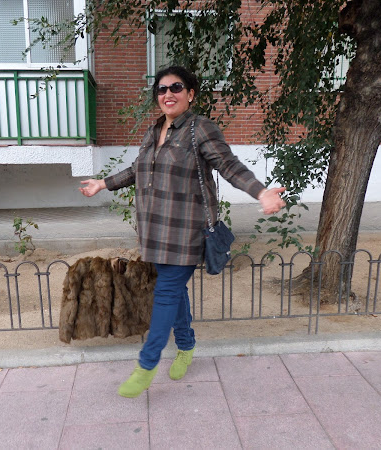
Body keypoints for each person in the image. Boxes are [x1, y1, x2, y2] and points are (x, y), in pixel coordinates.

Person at [79, 66, 286, 398]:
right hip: (154, 232)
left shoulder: (200, 129)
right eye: (162, 89)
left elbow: (229, 165)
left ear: (190, 94)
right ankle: (187, 346)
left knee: (165, 293)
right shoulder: (154, 130)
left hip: (185, 232)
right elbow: (137, 169)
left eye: (176, 87)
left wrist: (261, 192)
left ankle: (146, 365)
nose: (168, 94)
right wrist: (103, 183)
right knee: (173, 292)